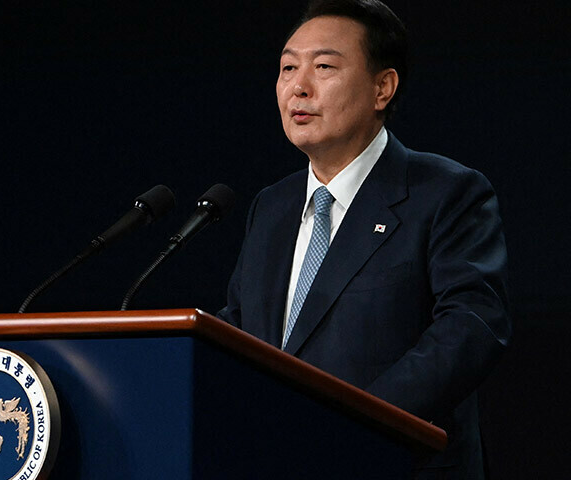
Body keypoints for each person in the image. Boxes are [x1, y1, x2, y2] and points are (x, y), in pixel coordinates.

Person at [217, 0, 510, 478]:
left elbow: (472, 327)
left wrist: (358, 424)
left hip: (394, 462)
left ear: (382, 88)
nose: (299, 86)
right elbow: (241, 331)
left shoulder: (445, 192)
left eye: (324, 67)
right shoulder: (272, 208)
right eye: (288, 68)